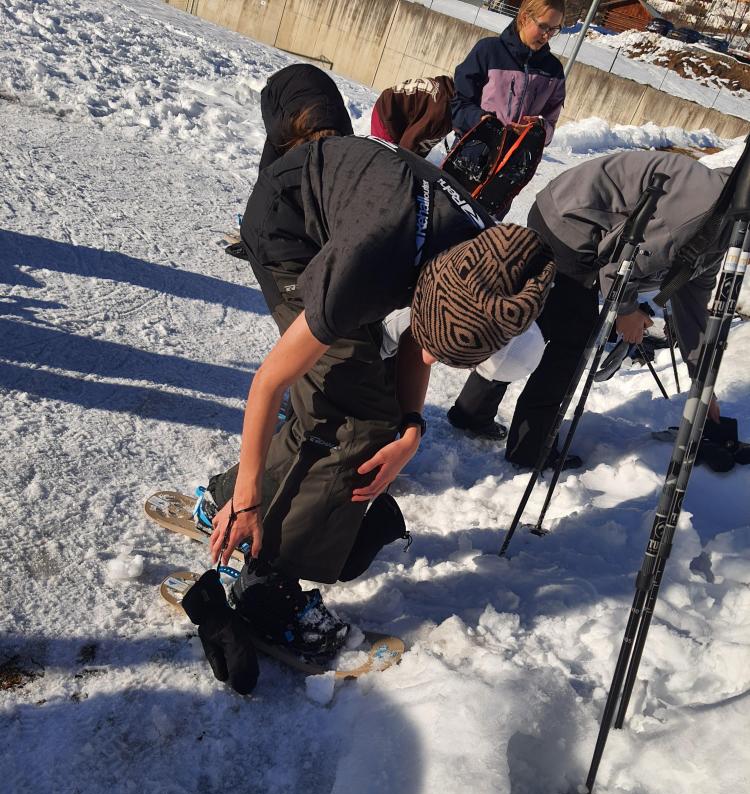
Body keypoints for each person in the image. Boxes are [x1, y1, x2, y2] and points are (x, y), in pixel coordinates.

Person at [196, 135, 555, 665]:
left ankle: (224, 500)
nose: (427, 360)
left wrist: (411, 427)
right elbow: (268, 382)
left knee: (376, 404)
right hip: (288, 228)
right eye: (435, 347)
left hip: (355, 215)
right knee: (350, 416)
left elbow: (419, 335)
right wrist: (250, 499)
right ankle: (264, 588)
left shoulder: (481, 260)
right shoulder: (368, 267)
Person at [447, 149, 735, 466]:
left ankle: (472, 412)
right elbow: (616, 267)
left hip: (570, 212)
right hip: (570, 224)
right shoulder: (701, 214)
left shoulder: (722, 224)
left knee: (536, 320)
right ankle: (530, 449)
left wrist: (702, 384)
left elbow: (693, 313)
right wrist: (626, 311)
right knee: (571, 338)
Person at [450, 0, 566, 148]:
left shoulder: (555, 71)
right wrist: (482, 121)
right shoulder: (489, 50)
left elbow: (549, 129)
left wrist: (538, 129)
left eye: (554, 29)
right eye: (543, 26)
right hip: (473, 152)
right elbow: (459, 105)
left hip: (517, 160)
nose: (547, 36)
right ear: (524, 18)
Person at [257, 62, 353, 172]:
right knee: (278, 144)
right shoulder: (287, 125)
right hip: (277, 87)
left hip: (319, 84)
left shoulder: (346, 137)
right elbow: (267, 172)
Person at [370, 76, 455, 157]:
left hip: (388, 104)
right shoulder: (443, 111)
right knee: (385, 157)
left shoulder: (445, 88)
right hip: (387, 115)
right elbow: (408, 145)